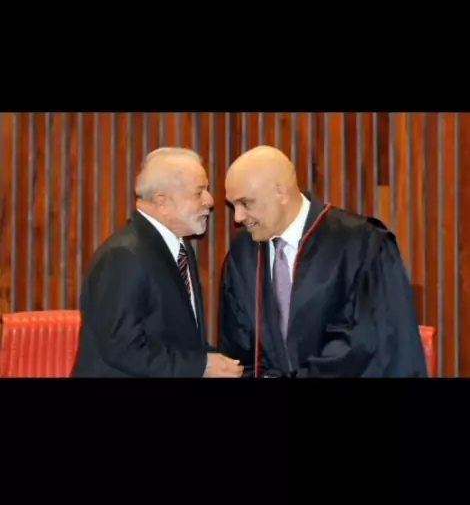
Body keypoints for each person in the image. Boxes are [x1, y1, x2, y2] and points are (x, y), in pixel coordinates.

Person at [219, 145, 428, 377]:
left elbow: (369, 345)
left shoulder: (361, 244)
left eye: (246, 203)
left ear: (281, 192)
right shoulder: (242, 257)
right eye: (233, 205)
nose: (238, 217)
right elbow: (237, 354)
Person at [72, 147, 243, 378]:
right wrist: (201, 366)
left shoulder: (180, 249)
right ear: (162, 202)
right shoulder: (123, 257)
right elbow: (122, 347)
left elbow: (180, 339)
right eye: (199, 192)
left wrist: (216, 362)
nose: (210, 201)